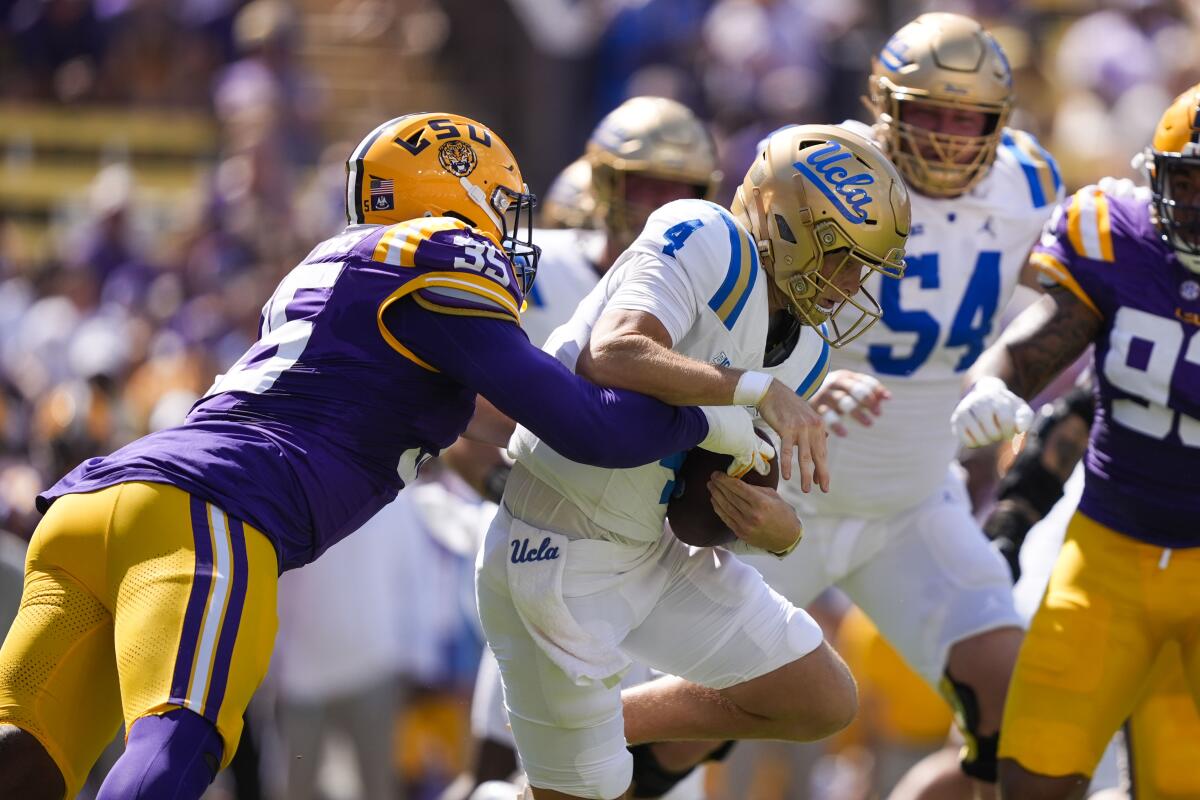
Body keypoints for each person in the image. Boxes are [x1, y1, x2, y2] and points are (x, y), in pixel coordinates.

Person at [0, 112, 785, 800]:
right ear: (457, 194)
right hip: (207, 514)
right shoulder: (438, 254)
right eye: (499, 206)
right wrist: (715, 418)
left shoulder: (335, 265)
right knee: (180, 741)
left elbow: (470, 422)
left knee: (28, 758)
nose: (504, 231)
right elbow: (589, 426)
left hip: (94, 510)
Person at [477, 123, 910, 800]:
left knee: (820, 698)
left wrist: (770, 530)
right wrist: (755, 389)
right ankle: (566, 745)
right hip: (557, 546)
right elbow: (614, 353)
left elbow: (701, 501)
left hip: (652, 549)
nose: (851, 283)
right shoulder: (706, 234)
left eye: (865, 265)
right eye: (843, 256)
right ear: (788, 223)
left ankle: (586, 731)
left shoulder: (806, 348)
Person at [708, 13, 1061, 799]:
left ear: (999, 121)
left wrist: (1003, 379)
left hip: (913, 501)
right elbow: (721, 308)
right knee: (680, 731)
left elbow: (1069, 305)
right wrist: (791, 374)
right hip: (779, 498)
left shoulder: (1029, 180)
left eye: (965, 117)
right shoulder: (818, 162)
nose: (944, 135)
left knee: (1021, 720)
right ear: (884, 105)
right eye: (926, 111)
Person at [449, 96, 728, 800]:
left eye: (680, 189)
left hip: (656, 554)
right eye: (643, 182)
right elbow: (455, 418)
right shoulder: (532, 268)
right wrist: (516, 494)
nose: (661, 203)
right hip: (538, 543)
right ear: (604, 182)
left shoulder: (717, 286)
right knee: (505, 746)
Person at [951, 82, 1200, 799]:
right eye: (1192, 183)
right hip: (1107, 558)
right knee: (1032, 782)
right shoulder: (1117, 237)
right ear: (1157, 179)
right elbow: (1036, 346)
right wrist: (995, 384)